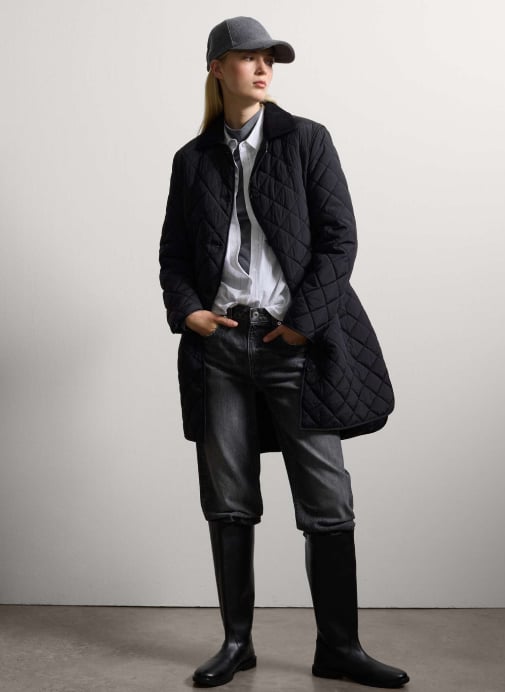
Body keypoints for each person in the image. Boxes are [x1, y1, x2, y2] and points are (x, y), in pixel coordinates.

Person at [159, 15, 409, 689]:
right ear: (217, 68)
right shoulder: (192, 160)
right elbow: (174, 254)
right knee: (228, 499)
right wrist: (188, 312)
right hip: (219, 348)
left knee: (327, 499)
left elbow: (338, 239)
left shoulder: (306, 140)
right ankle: (236, 643)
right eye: (248, 57)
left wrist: (301, 325)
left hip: (292, 343)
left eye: (270, 57)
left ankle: (340, 648)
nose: (263, 67)